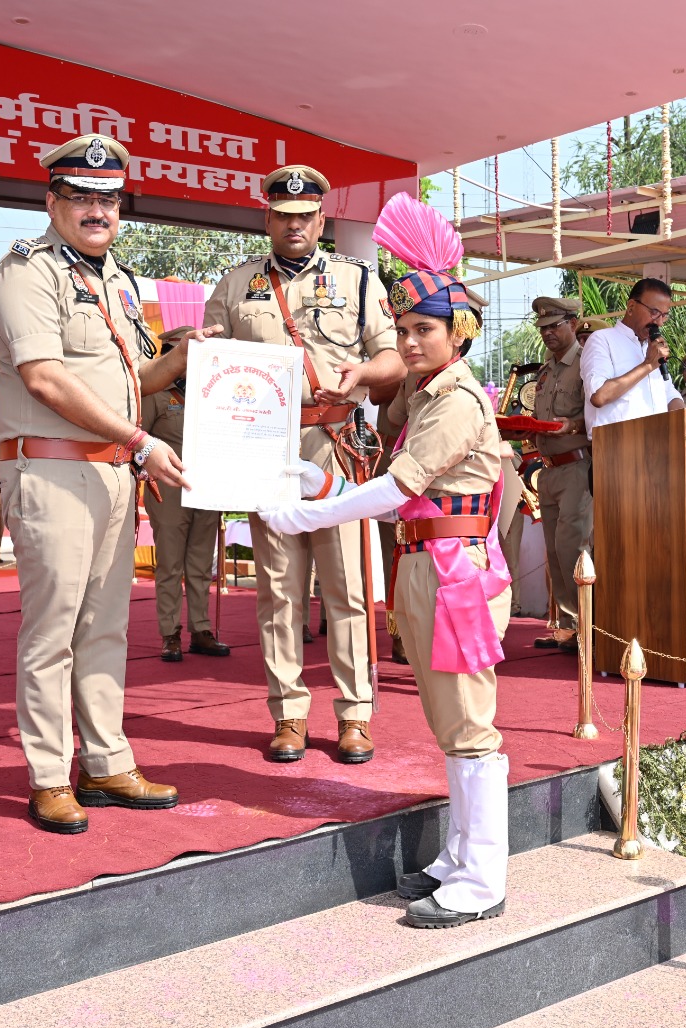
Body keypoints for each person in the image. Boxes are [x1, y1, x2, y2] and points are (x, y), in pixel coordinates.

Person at [261, 195, 509, 929]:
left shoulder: (457, 400)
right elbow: (384, 482)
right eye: (401, 329)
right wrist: (316, 483)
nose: (406, 342)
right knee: (448, 720)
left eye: (422, 329)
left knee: (468, 724)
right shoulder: (426, 397)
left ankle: (484, 874)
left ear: (457, 333)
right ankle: (462, 855)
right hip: (429, 562)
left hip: (455, 571)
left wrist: (309, 513)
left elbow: (396, 487)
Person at [0, 133, 213, 833]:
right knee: (52, 631)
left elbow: (125, 382)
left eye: (108, 198)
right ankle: (51, 775)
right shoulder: (26, 272)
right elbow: (46, 377)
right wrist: (141, 440)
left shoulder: (117, 279)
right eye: (81, 197)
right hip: (53, 469)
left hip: (113, 471)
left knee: (105, 627)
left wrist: (180, 362)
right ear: (52, 200)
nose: (96, 210)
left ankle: (107, 761)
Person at [202, 164, 405, 764]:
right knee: (278, 590)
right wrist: (206, 344)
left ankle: (354, 716)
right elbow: (211, 355)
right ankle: (288, 713)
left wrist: (364, 374)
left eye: (306, 217)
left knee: (345, 586)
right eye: (283, 216)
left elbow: (392, 360)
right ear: (268, 217)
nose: (295, 226)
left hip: (333, 444)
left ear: (322, 219)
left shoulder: (359, 280)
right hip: (262, 449)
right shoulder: (238, 284)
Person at [143, 326, 231, 662]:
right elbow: (140, 439)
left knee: (199, 564)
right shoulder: (156, 393)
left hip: (207, 487)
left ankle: (201, 629)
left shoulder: (211, 392)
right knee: (169, 565)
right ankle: (170, 634)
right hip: (169, 490)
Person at [525, 295, 591, 653]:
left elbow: (598, 415)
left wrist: (572, 425)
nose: (547, 333)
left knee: (573, 551)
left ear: (574, 324)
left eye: (554, 326)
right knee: (553, 552)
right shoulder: (547, 368)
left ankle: (588, 628)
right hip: (547, 470)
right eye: (543, 328)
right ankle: (567, 628)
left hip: (577, 467)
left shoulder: (585, 364)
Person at [580, 278, 683, 441]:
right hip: (616, 447)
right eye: (654, 312)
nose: (660, 322)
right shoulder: (602, 340)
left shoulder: (650, 348)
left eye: (664, 315)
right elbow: (599, 396)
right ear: (631, 307)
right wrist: (647, 365)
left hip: (657, 445)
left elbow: (669, 394)